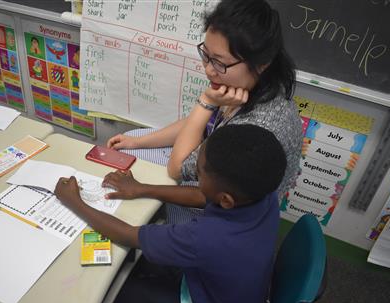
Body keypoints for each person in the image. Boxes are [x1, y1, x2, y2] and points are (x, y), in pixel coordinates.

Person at [55, 124, 287, 303]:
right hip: (235, 296)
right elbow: (201, 195)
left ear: (226, 199)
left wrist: (73, 201)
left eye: (199, 172)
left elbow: (127, 235)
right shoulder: (263, 196)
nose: (194, 173)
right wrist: (142, 188)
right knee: (136, 265)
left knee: (110, 297)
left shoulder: (206, 238)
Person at [107, 0, 302, 201]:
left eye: (219, 62)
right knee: (133, 143)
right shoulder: (250, 86)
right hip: (213, 177)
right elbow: (199, 123)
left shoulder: (259, 126)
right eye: (206, 55)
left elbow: (177, 168)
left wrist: (207, 101)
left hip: (224, 218)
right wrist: (137, 142)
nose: (208, 69)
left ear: (261, 64)